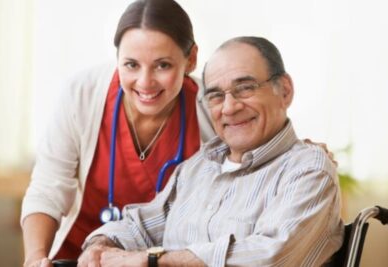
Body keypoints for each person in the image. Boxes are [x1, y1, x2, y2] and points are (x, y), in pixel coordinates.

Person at [79, 36, 344, 267]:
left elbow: (270, 258)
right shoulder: (198, 167)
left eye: (245, 88)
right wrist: (99, 246)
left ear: (284, 91)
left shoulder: (308, 170)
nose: (229, 107)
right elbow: (140, 226)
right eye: (216, 95)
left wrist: (153, 260)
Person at [21, 1, 216, 266]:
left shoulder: (214, 110)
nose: (145, 82)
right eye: (131, 64)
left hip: (166, 260)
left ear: (190, 59)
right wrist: (35, 258)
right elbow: (48, 188)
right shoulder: (82, 94)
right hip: (79, 256)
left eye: (163, 65)